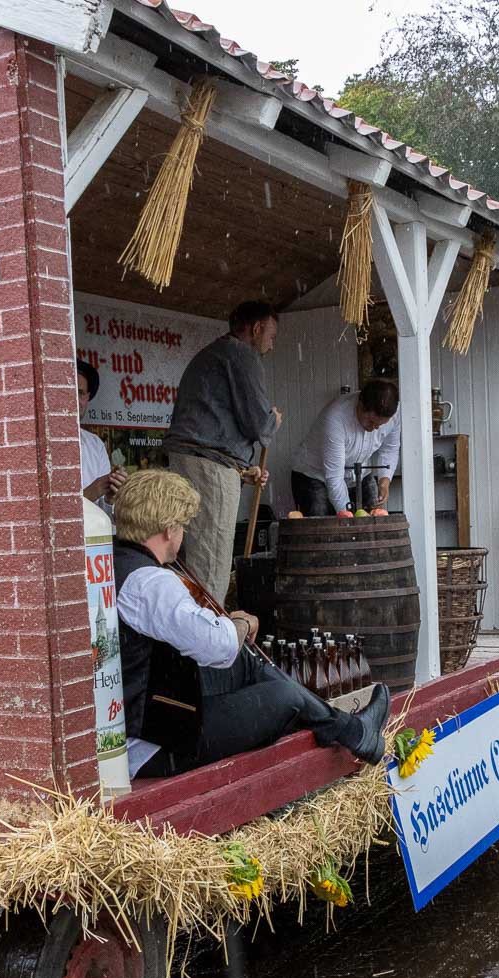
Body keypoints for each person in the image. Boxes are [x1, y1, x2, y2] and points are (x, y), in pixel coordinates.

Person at [111, 469, 390, 778]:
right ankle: (352, 731)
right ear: (168, 529)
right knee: (283, 697)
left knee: (244, 662)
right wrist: (240, 624)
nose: (183, 534)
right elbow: (217, 644)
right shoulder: (150, 583)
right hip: (155, 744)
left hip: (154, 709)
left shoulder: (116, 563)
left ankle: (352, 731)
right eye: (183, 526)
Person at [163, 302, 282, 602]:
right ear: (256, 329)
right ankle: (208, 626)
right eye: (271, 336)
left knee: (190, 554)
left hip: (190, 461)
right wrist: (274, 420)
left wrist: (242, 469)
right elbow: (258, 425)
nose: (271, 346)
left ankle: (192, 620)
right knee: (211, 560)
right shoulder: (242, 355)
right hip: (209, 465)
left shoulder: (213, 354)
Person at [289, 380, 402, 515]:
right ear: (360, 405)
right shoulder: (335, 418)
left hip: (359, 473)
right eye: (371, 421)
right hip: (314, 475)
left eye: (381, 424)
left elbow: (390, 448)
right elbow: (334, 477)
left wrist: (384, 481)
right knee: (323, 524)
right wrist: (347, 516)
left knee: (373, 520)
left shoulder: (395, 413)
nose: (375, 428)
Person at [77, 360, 125, 509]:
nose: (75, 399)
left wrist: (110, 497)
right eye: (69, 392)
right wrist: (89, 494)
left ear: (87, 398)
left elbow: (105, 512)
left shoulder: (95, 444)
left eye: (80, 393)